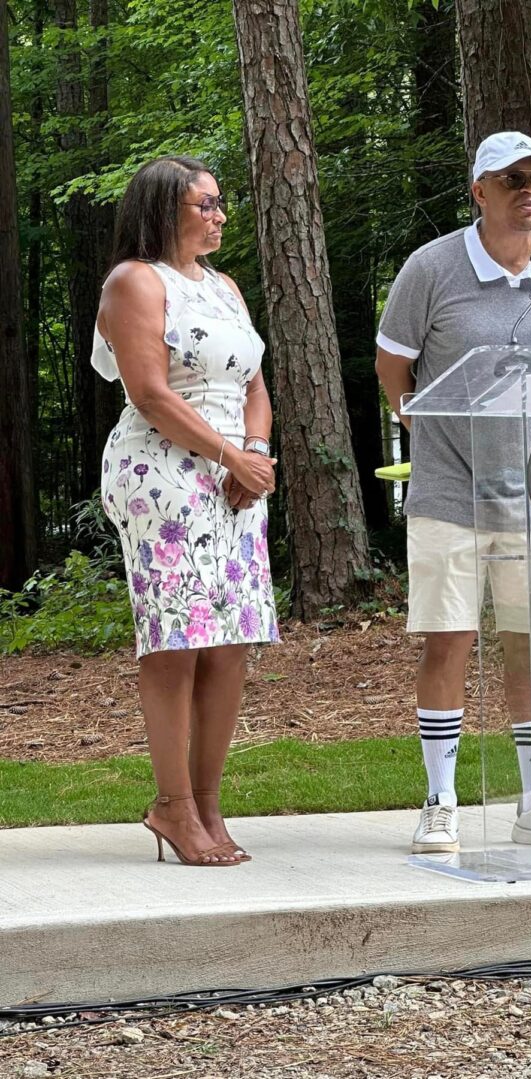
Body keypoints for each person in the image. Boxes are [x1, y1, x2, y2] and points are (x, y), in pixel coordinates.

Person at [375, 132, 531, 854]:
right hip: (447, 490)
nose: (529, 189)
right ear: (479, 191)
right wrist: (420, 422)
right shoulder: (431, 268)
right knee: (448, 638)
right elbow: (392, 362)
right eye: (512, 179)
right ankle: (440, 800)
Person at [93, 156, 279, 866]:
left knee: (229, 640)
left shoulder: (226, 288)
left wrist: (254, 453)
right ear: (163, 209)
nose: (219, 214)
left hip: (235, 475)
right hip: (161, 474)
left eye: (220, 203)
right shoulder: (134, 281)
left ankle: (206, 802)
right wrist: (231, 458)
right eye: (204, 204)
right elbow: (150, 393)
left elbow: (255, 380)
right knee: (178, 635)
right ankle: (171, 804)